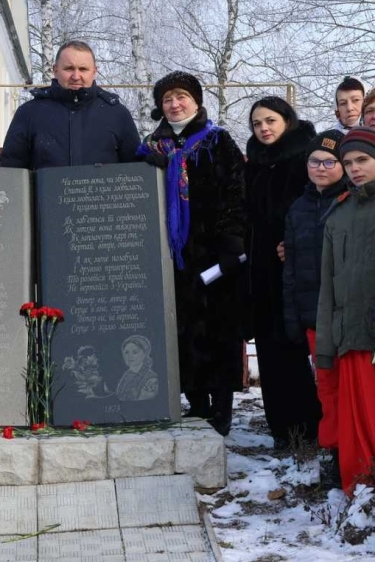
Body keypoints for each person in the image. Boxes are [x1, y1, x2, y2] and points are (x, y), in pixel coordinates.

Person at [137, 71, 247, 435]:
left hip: (213, 254)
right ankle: (196, 404)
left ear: (197, 101)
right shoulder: (151, 148)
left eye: (181, 96)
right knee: (182, 331)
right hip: (173, 257)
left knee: (218, 330)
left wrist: (232, 242)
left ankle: (223, 408)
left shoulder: (218, 142)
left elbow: (235, 192)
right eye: (167, 99)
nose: (174, 103)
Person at [315, 127, 375, 495]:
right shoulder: (338, 214)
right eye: (348, 163)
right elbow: (327, 286)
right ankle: (364, 494)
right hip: (349, 336)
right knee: (356, 428)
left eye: (362, 160)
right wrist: (326, 346)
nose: (355, 168)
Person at [245, 96, 320, 450]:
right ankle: (280, 427)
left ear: (286, 121)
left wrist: (294, 244)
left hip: (294, 265)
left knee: (294, 347)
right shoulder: (255, 164)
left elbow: (312, 207)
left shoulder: (304, 157)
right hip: (261, 269)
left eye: (270, 121)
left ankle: (306, 425)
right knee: (269, 348)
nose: (264, 129)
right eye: (258, 123)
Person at [282, 128, 349, 483]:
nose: (320, 168)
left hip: (348, 317)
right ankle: (333, 452)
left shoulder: (352, 201)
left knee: (351, 388)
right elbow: (290, 267)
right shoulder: (298, 208)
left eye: (329, 161)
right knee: (326, 388)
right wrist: (292, 316)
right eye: (314, 161)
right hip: (313, 317)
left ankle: (353, 453)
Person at [0, 41, 140, 170]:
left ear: (94, 72)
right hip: (46, 197)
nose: (76, 76)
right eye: (69, 68)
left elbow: (137, 173)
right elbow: (11, 174)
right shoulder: (29, 113)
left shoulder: (117, 114)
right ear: (55, 70)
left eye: (83, 69)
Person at [116, 335, 160, 401]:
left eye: (135, 352)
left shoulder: (151, 379)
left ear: (145, 354)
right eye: (126, 352)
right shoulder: (127, 375)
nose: (129, 356)